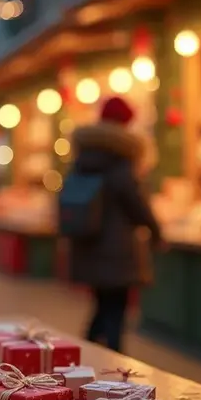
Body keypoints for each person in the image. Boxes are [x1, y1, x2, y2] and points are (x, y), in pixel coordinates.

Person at [61, 96, 162, 353]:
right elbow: (136, 204)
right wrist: (156, 231)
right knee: (115, 311)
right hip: (117, 251)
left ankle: (85, 356)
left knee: (102, 306)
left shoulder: (83, 157)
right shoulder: (121, 161)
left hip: (88, 245)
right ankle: (115, 367)